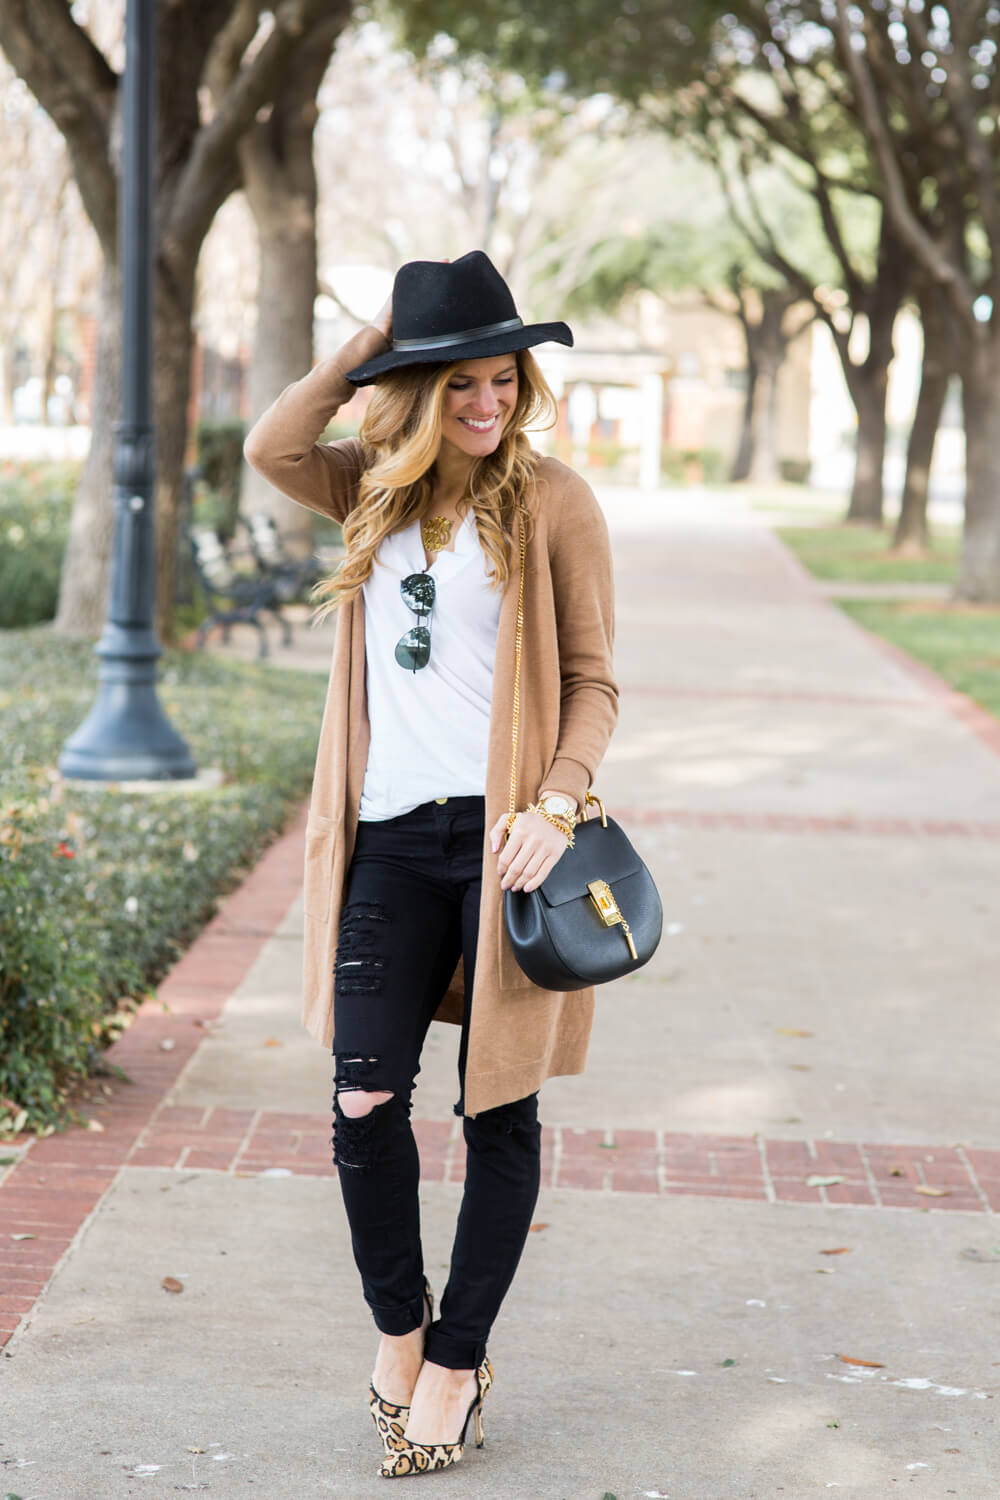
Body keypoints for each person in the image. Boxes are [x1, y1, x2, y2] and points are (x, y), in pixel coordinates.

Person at [244, 250, 617, 1480]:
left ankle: (458, 1359)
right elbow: (271, 444)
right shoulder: (367, 489)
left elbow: (592, 681)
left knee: (497, 1106)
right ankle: (400, 1331)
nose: (488, 404)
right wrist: (363, 349)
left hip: (506, 847)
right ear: (415, 388)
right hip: (390, 842)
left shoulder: (553, 501)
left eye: (503, 379)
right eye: (459, 382)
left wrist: (557, 806)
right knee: (362, 1103)